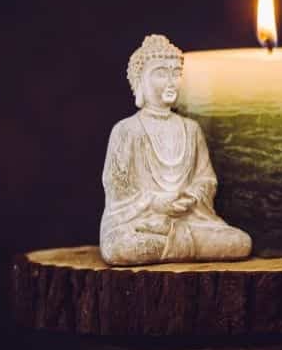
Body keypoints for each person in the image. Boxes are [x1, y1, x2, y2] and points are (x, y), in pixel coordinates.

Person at [99, 34, 251, 265]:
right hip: (139, 222)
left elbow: (206, 179)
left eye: (176, 74)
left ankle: (172, 238)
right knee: (120, 248)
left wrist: (191, 197)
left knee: (239, 242)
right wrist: (155, 203)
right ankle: (171, 238)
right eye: (161, 73)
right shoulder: (127, 130)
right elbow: (117, 186)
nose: (171, 82)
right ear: (140, 80)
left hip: (188, 220)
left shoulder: (191, 129)